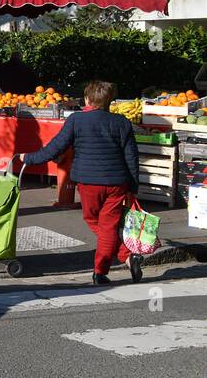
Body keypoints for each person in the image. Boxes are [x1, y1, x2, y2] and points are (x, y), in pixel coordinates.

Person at [18, 80, 141, 285]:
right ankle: (120, 260)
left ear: (87, 99)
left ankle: (107, 268)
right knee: (108, 225)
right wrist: (133, 187)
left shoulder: (77, 121)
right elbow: (132, 158)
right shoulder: (122, 122)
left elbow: (55, 148)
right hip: (117, 182)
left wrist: (28, 158)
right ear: (110, 100)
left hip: (88, 182)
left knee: (93, 220)